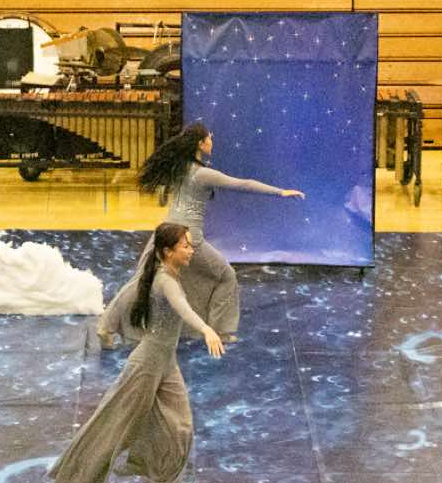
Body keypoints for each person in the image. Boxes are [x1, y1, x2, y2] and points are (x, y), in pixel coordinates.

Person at [52, 222, 222, 483]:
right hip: (145, 367)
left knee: (182, 428)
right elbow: (182, 308)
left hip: (166, 365)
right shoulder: (165, 282)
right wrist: (206, 328)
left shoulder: (165, 273)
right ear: (167, 252)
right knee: (116, 427)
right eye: (185, 246)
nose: (190, 250)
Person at [95, 122, 302, 346]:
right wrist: (280, 192)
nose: (212, 141)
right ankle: (222, 331)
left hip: (165, 231)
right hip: (187, 236)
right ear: (201, 144)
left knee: (141, 280)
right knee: (226, 275)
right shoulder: (202, 174)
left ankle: (106, 327)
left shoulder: (178, 167)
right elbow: (243, 184)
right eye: (209, 138)